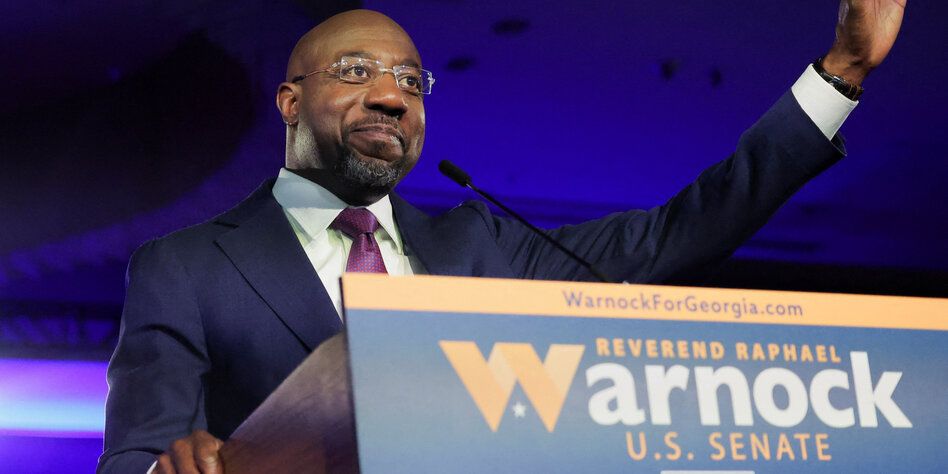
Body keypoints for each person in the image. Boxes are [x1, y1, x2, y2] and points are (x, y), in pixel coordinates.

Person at [97, 3, 906, 473]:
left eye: (410, 81)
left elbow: (677, 233)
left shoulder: (481, 246)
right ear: (288, 102)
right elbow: (137, 459)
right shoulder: (186, 267)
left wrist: (843, 69)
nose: (391, 96)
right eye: (355, 72)